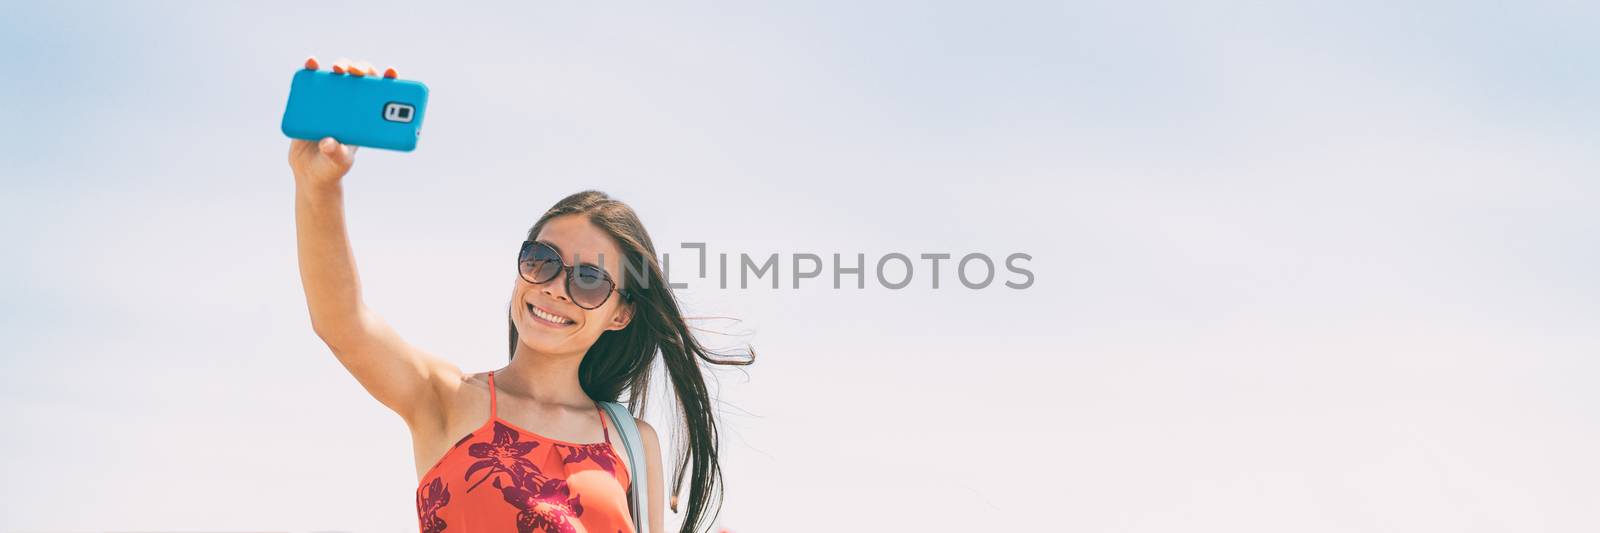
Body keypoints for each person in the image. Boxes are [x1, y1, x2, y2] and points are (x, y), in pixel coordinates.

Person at [289, 99, 753, 532]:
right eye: (541, 259)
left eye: (588, 279)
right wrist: (319, 186)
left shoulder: (632, 442)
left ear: (621, 314)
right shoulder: (447, 398)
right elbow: (342, 323)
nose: (554, 288)